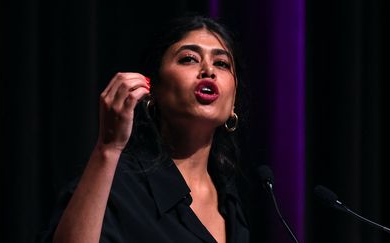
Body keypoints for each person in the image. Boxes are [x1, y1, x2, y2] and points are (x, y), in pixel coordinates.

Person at [40, 15, 249, 243]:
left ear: (233, 102)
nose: (208, 70)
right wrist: (108, 148)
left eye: (221, 63)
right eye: (189, 59)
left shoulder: (230, 200)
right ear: (153, 88)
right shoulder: (117, 184)